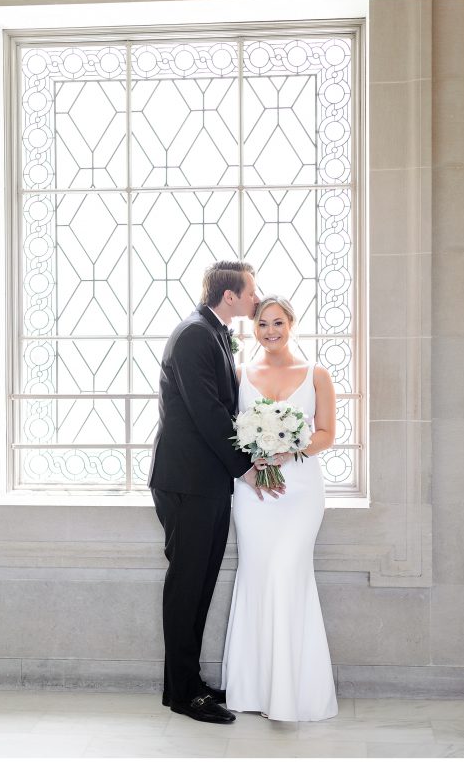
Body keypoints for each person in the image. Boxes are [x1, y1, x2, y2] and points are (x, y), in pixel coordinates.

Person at [148, 260, 283, 724]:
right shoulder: (193, 335)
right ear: (231, 296)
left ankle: (189, 683)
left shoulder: (213, 333)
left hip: (205, 482)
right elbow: (208, 412)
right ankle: (183, 694)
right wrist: (246, 467)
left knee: (201, 584)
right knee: (187, 586)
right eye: (252, 291)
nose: (256, 296)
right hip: (186, 482)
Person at [221, 296, 338, 721]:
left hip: (301, 491)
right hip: (254, 493)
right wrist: (257, 454)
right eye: (263, 325)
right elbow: (229, 431)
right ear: (254, 330)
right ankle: (254, 692)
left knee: (288, 573)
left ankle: (294, 694)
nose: (270, 331)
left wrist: (290, 448)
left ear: (291, 324)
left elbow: (327, 434)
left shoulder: (316, 374)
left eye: (278, 323)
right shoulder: (239, 375)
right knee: (258, 576)